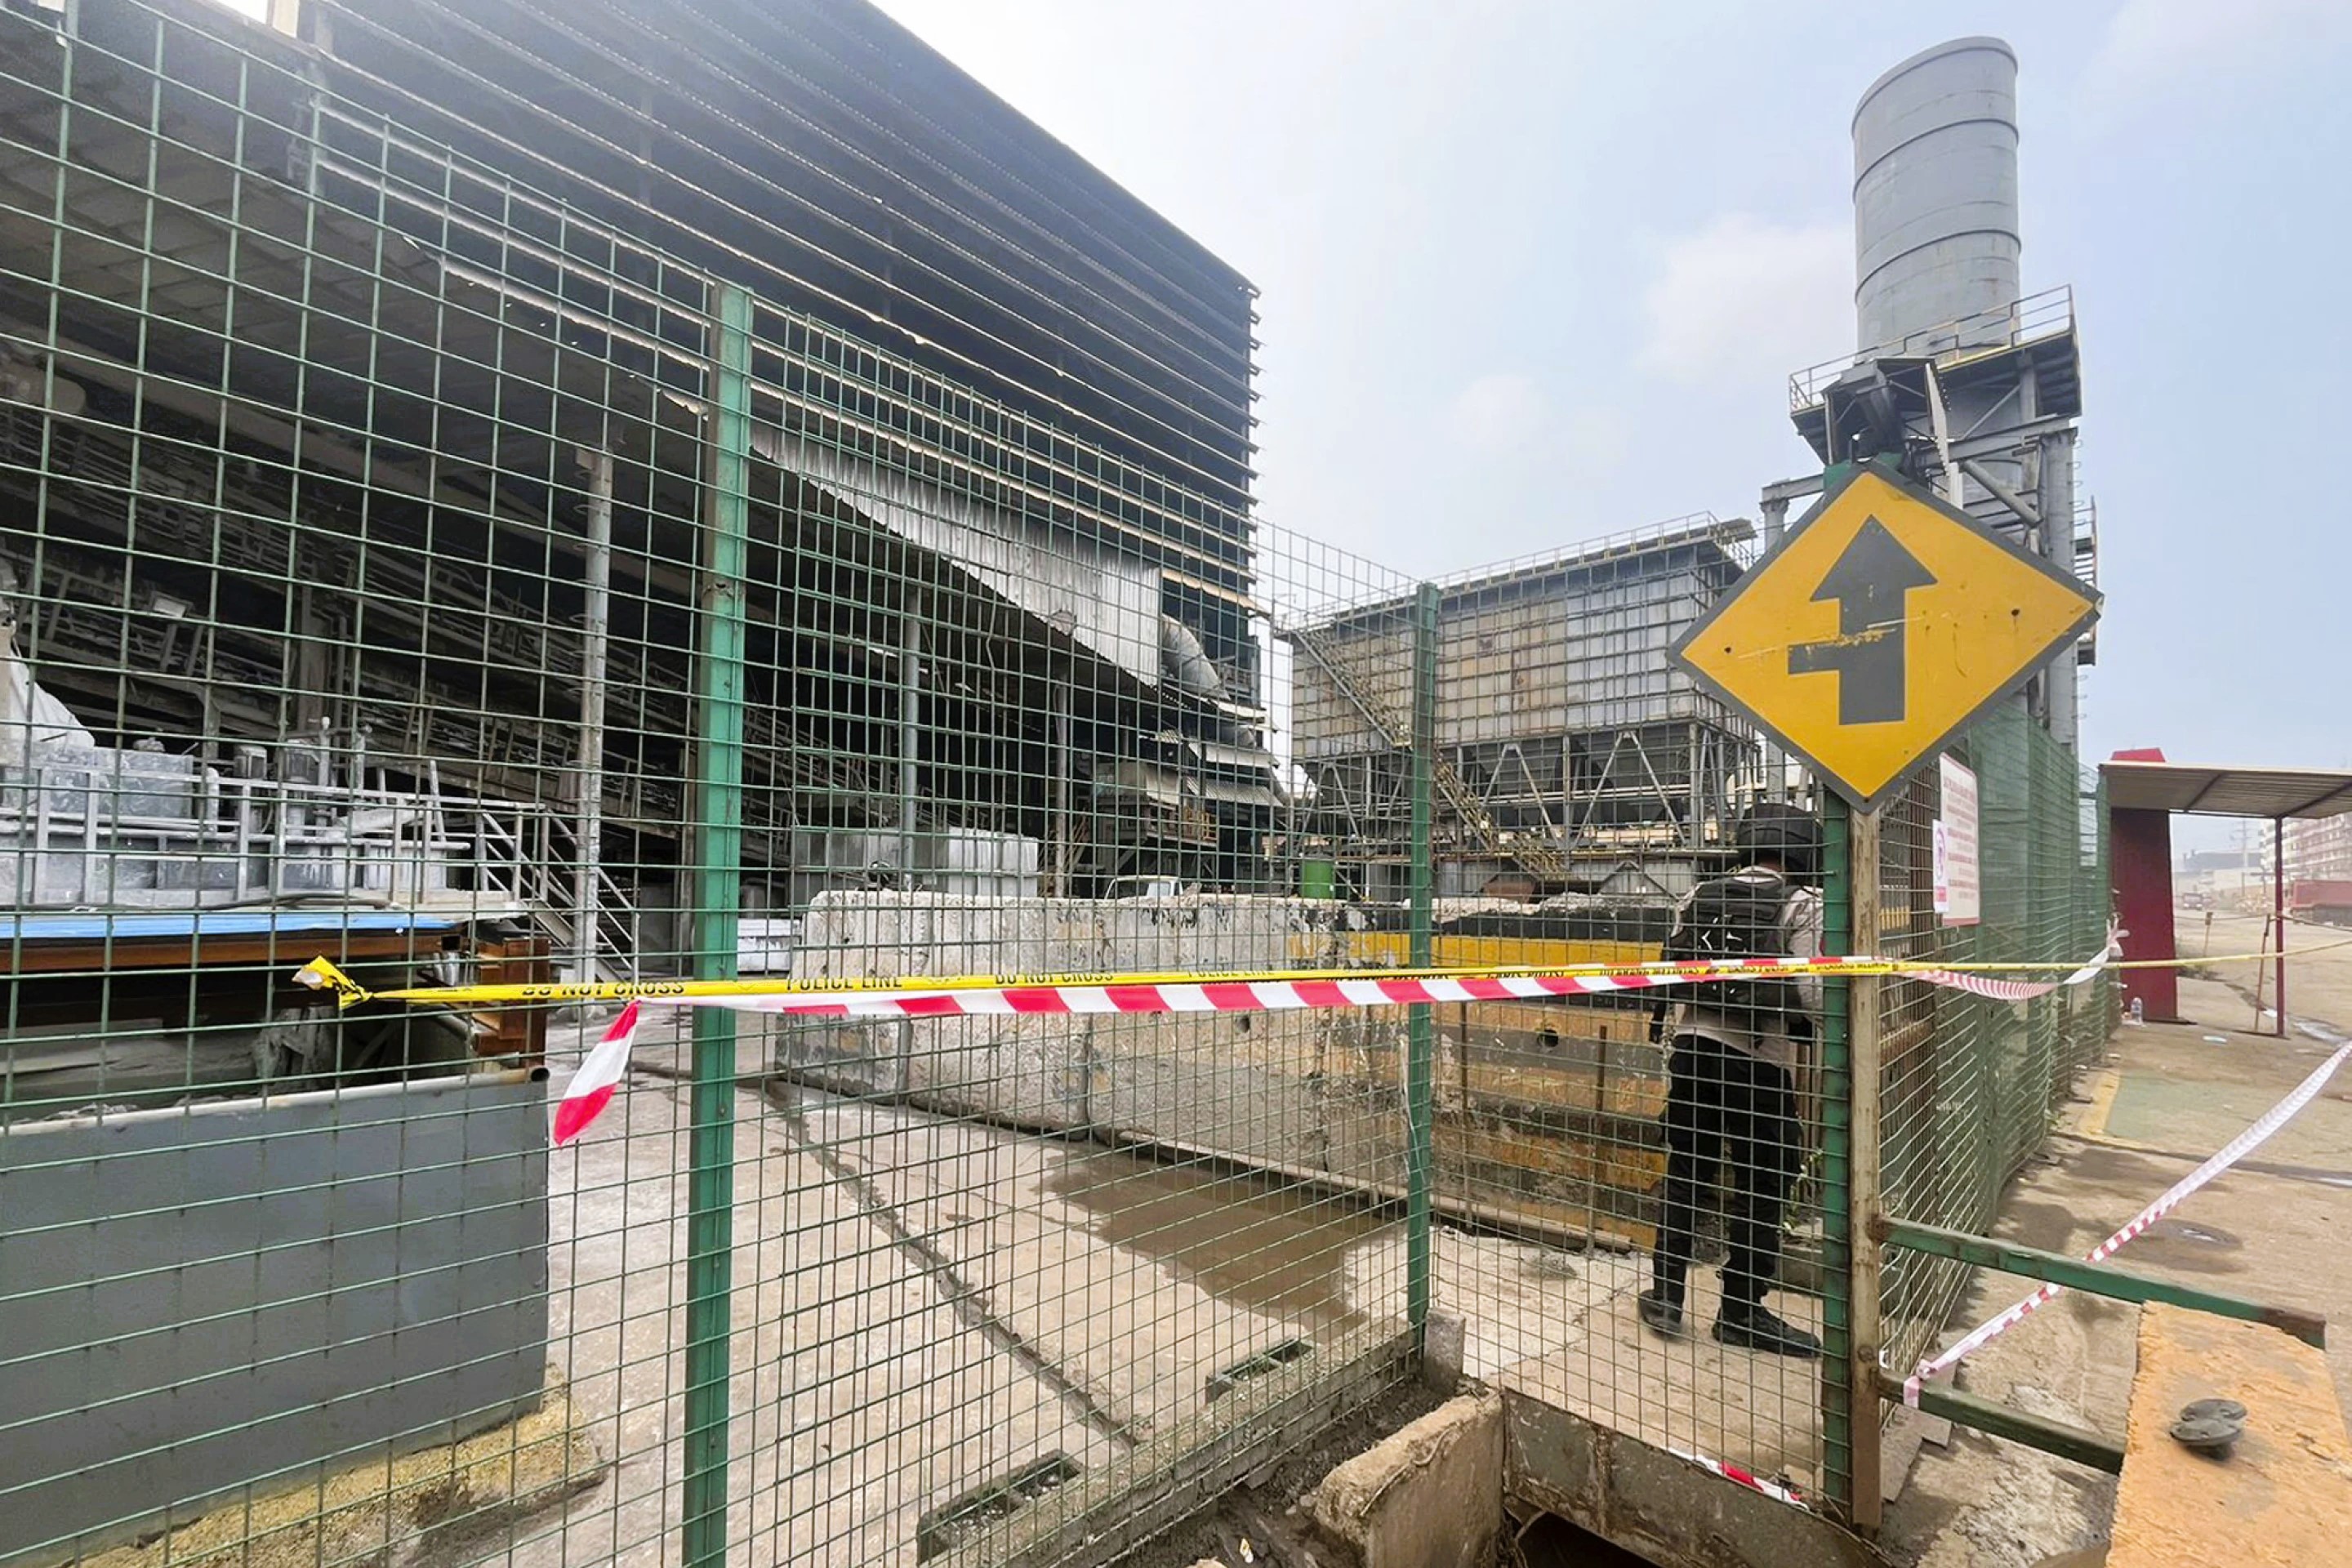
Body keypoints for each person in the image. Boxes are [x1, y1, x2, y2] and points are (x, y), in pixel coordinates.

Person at [1638, 804, 1824, 1356]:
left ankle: (1667, 1296)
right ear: (1803, 855)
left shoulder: (1698, 895)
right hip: (1759, 1062)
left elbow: (1673, 967)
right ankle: (1742, 1310)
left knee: (1688, 1173)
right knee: (1764, 1183)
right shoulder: (1804, 905)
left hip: (1692, 1053)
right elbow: (1815, 998)